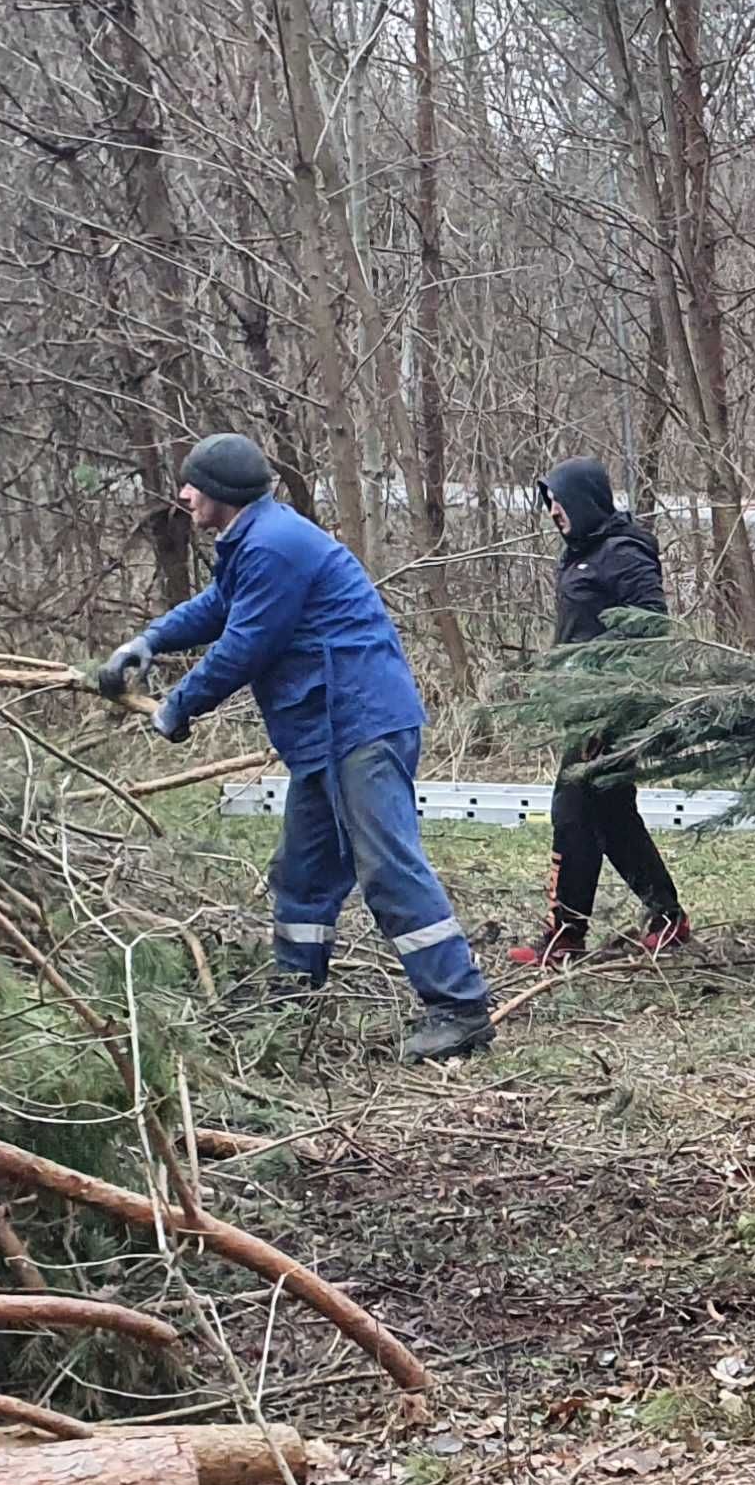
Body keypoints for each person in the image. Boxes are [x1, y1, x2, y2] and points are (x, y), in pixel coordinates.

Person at [95, 434, 493, 1063]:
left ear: (221, 491)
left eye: (193, 484)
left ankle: (460, 1007)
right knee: (304, 875)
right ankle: (291, 995)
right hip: (324, 731)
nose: (184, 495)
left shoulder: (275, 546)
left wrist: (179, 705)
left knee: (388, 866)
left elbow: (246, 643)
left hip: (358, 724)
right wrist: (147, 643)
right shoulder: (255, 540)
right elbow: (219, 608)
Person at [509, 458, 690, 966]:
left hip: (609, 709)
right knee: (611, 815)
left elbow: (650, 628)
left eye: (559, 502)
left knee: (572, 813)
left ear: (585, 501)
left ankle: (565, 932)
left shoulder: (622, 554)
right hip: (581, 706)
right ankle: (668, 916)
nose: (552, 513)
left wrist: (608, 697)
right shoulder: (579, 553)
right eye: (548, 504)